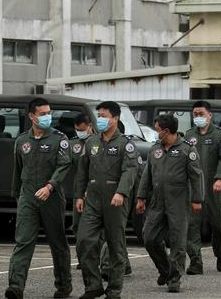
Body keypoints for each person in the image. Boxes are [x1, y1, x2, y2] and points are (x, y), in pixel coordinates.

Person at [5, 98, 72, 299]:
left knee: (57, 241)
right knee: (23, 241)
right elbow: (18, 170)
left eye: (48, 113)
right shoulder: (22, 141)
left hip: (51, 197)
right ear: (32, 116)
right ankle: (16, 287)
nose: (47, 117)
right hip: (28, 196)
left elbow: (64, 165)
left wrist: (50, 186)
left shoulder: (59, 139)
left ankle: (63, 285)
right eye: (42, 114)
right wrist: (17, 195)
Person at [74, 101, 138, 299]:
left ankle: (114, 289)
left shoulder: (125, 144)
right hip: (92, 199)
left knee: (115, 245)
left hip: (115, 199)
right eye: (98, 115)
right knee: (84, 241)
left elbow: (130, 170)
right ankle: (93, 285)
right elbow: (82, 171)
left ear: (115, 119)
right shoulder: (92, 142)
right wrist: (78, 195)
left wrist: (121, 192)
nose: (100, 119)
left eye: (104, 116)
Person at [136, 114, 203, 293]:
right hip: (157, 202)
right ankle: (165, 269)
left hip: (178, 202)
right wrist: (141, 197)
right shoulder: (154, 149)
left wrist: (197, 199)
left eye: (158, 130)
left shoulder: (187, 149)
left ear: (166, 131)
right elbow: (146, 175)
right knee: (149, 238)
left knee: (177, 242)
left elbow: (197, 176)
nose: (156, 133)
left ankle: (174, 278)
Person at [185, 100, 221, 275]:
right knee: (192, 225)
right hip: (194, 188)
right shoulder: (189, 135)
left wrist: (220, 178)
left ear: (210, 115)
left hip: (214, 187)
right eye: (195, 114)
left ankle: (220, 252)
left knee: (219, 224)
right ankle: (196, 262)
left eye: (201, 114)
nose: (198, 117)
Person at [70, 114, 93, 269]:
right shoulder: (73, 144)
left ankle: (95, 259)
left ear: (90, 126)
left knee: (95, 228)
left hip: (94, 191)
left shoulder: (98, 143)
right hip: (78, 192)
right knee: (77, 226)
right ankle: (83, 258)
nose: (80, 132)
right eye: (77, 130)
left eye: (82, 129)